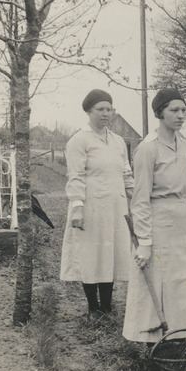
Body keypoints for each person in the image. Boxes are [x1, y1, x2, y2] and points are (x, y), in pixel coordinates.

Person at [123, 88, 186, 343]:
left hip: (182, 222)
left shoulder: (185, 144)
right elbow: (140, 199)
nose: (180, 115)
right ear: (159, 113)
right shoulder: (148, 149)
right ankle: (154, 340)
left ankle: (183, 335)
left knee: (184, 282)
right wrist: (144, 242)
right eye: (174, 110)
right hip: (159, 223)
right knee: (159, 282)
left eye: (183, 110)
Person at [60, 89, 133, 317]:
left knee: (109, 254)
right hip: (91, 206)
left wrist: (134, 197)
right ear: (89, 111)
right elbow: (76, 175)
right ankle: (93, 307)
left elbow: (126, 172)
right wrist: (78, 207)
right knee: (92, 254)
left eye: (109, 109)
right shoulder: (79, 140)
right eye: (100, 109)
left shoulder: (118, 141)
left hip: (114, 207)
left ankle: (108, 305)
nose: (105, 113)